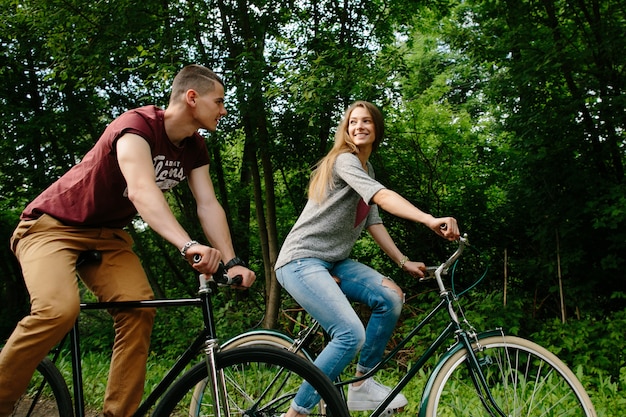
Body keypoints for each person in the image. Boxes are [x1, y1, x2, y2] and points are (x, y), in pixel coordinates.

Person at [0, 64, 256, 417]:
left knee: (139, 308)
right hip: (51, 227)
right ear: (192, 98)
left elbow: (207, 204)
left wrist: (232, 260)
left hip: (106, 237)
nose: (224, 110)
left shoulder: (195, 147)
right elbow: (140, 190)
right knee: (57, 310)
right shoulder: (136, 127)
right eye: (220, 101)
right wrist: (187, 245)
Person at [274, 100, 459, 416]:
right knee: (349, 334)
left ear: (377, 129)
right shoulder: (344, 161)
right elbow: (383, 198)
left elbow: (373, 222)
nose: (359, 127)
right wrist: (429, 219)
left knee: (390, 296)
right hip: (301, 260)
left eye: (366, 122)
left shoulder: (366, 168)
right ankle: (295, 414)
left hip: (332, 261)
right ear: (346, 130)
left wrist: (403, 261)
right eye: (353, 122)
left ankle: (360, 386)